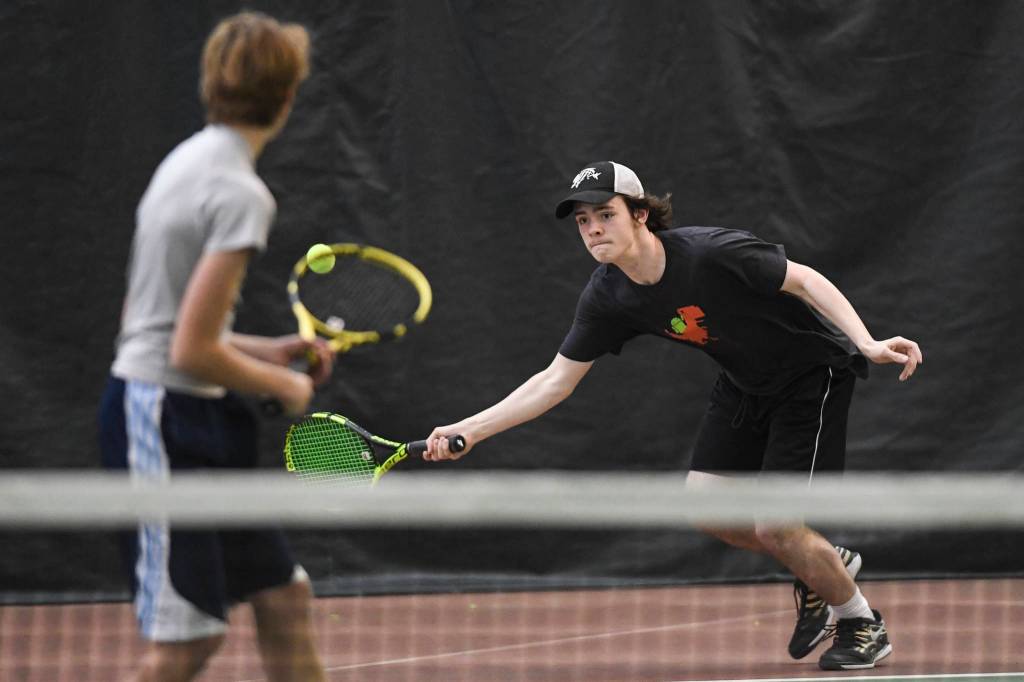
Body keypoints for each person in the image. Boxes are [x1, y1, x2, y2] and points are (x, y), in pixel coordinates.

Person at [424, 160, 922, 671]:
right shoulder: (608, 294)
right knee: (707, 509)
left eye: (605, 214)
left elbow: (805, 281)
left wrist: (866, 342)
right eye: (582, 221)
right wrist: (471, 428)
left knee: (777, 526)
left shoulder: (710, 253)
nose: (593, 229)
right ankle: (823, 561)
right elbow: (556, 381)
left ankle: (861, 621)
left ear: (640, 215)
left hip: (809, 377)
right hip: (743, 383)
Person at [97, 12, 330, 682]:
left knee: (284, 599)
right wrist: (284, 386)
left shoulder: (186, 162)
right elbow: (189, 351)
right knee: (188, 644)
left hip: (194, 418)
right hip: (162, 422)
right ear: (287, 97)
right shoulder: (239, 192)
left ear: (212, 83)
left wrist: (268, 351)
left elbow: (158, 321)